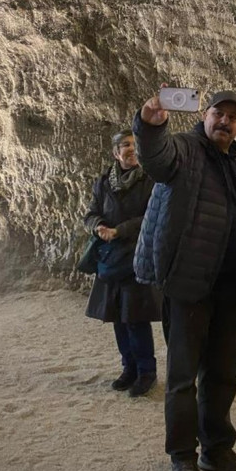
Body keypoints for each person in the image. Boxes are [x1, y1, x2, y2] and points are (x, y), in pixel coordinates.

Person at [133, 88, 236, 471]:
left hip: (231, 288)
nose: (225, 122)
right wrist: (150, 124)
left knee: (223, 375)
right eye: (219, 113)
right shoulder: (185, 149)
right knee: (183, 377)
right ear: (205, 115)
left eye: (233, 117)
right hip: (189, 283)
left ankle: (217, 450)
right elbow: (156, 158)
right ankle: (183, 456)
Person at [84, 129, 160, 397]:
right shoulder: (104, 182)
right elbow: (91, 214)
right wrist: (99, 227)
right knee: (118, 317)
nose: (132, 149)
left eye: (135, 144)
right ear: (116, 153)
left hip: (137, 257)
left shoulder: (151, 180)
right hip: (111, 259)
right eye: (126, 145)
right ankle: (129, 368)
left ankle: (146, 372)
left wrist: (120, 230)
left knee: (136, 317)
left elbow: (153, 216)